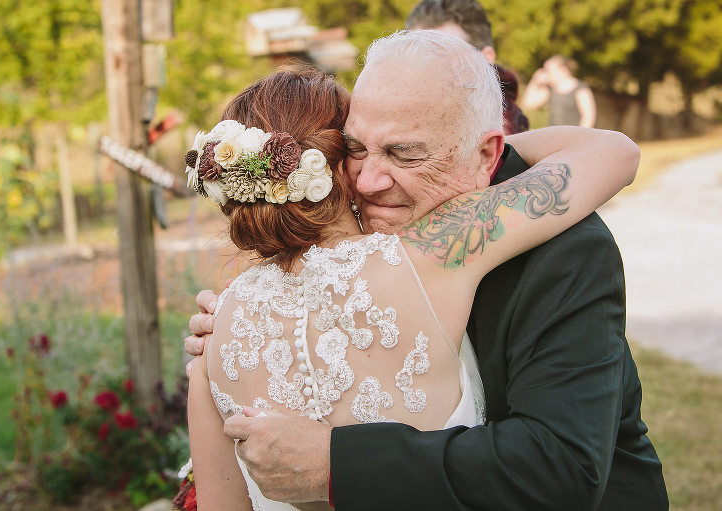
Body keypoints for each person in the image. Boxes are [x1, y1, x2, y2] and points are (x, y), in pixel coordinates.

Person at [185, 31, 667, 510]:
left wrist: (337, 465)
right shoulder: (410, 250)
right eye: (355, 149)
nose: (369, 182)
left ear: (486, 154)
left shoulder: (562, 251)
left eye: (405, 152)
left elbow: (560, 467)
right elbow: (610, 151)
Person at [405, 0, 529, 135]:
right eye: (416, 55)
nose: (427, 69)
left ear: (486, 59)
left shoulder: (499, 126)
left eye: (445, 54)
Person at [523, 55, 598, 128]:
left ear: (563, 70)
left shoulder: (580, 88)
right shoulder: (550, 90)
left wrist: (579, 134)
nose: (546, 73)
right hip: (554, 134)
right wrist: (534, 82)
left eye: (548, 70)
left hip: (574, 134)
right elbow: (528, 105)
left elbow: (588, 117)